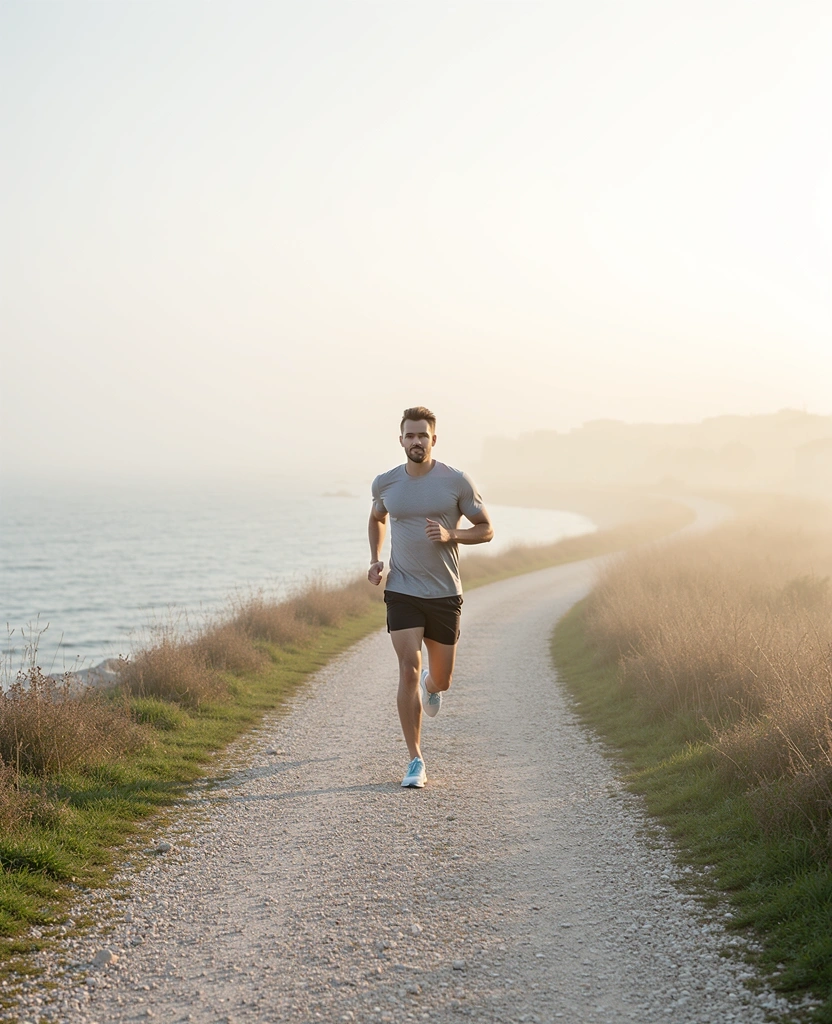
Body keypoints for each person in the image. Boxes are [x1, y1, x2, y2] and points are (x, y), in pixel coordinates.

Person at [368, 406, 494, 788]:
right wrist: (375, 560)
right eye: (410, 435)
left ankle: (431, 684)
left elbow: (486, 529)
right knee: (406, 667)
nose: (416, 441)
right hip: (401, 589)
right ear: (401, 439)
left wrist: (451, 535)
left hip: (444, 592)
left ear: (433, 439)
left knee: (442, 680)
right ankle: (415, 760)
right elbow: (377, 516)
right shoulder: (386, 483)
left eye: (423, 435)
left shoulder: (456, 481)